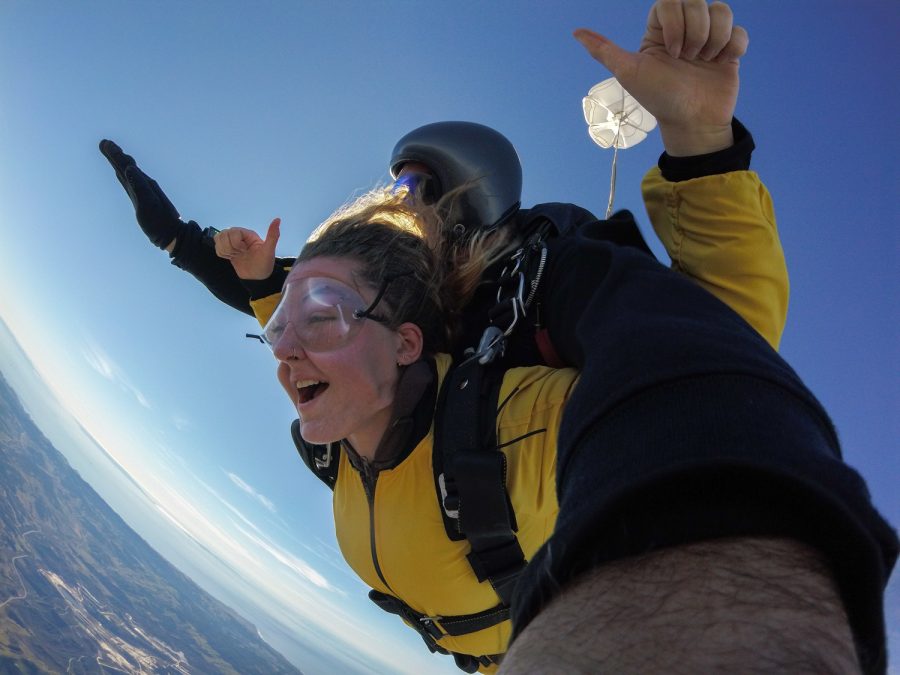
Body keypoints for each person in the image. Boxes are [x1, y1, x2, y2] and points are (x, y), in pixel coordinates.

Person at [103, 1, 897, 671]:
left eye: (420, 188)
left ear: (409, 337)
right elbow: (293, 312)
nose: (286, 346)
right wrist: (182, 241)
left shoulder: (504, 416)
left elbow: (709, 350)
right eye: (285, 326)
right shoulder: (348, 360)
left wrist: (702, 149)